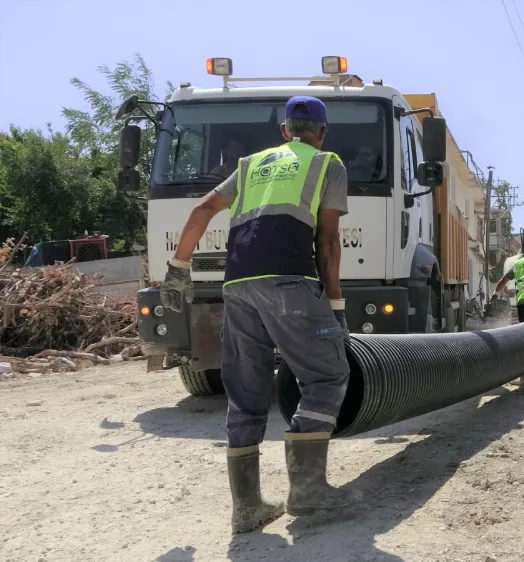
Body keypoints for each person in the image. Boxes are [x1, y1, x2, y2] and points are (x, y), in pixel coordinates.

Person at [158, 95, 356, 534]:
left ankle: (246, 508)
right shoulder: (328, 164)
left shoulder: (250, 166)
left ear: (284, 130)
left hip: (238, 286)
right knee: (327, 376)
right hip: (289, 280)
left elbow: (201, 210)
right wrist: (336, 307)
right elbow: (327, 243)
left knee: (246, 393)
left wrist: (178, 269)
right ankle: (307, 490)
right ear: (321, 134)